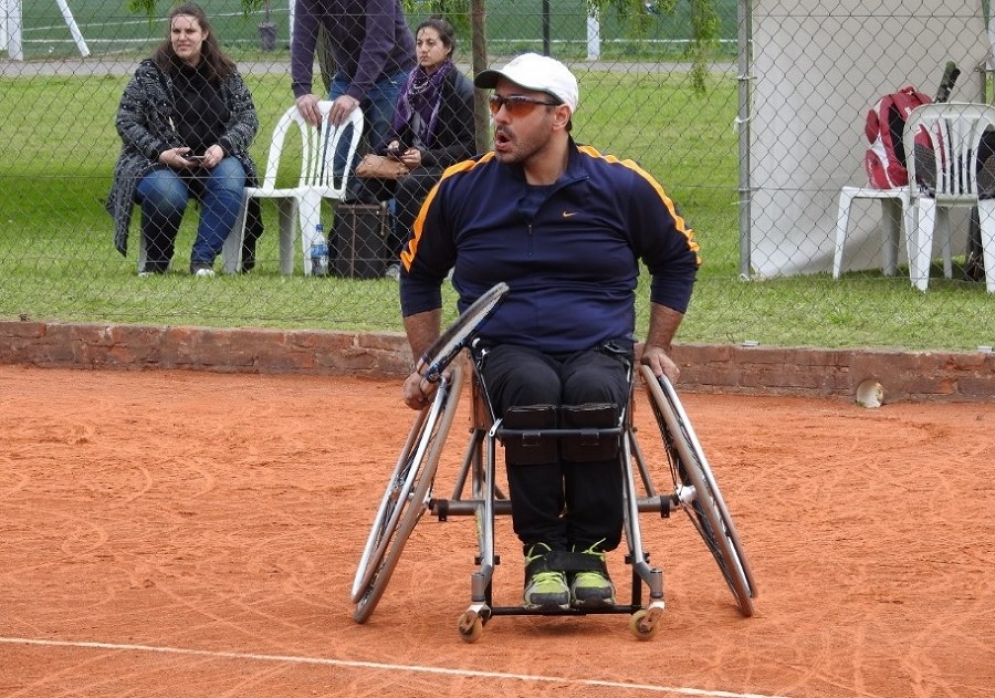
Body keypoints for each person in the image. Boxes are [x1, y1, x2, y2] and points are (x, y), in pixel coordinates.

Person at [397, 54, 701, 611]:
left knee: (591, 393)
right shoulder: (461, 188)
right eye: (496, 103)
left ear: (560, 116)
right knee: (533, 390)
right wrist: (428, 361)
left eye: (517, 105)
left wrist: (658, 346)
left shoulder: (621, 185)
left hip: (598, 346)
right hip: (505, 348)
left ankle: (589, 549)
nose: (499, 116)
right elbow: (418, 273)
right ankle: (541, 550)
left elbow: (678, 257)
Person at [106, 2, 263, 277]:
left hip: (216, 161)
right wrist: (159, 152)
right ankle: (157, 262)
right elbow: (126, 120)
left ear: (204, 34)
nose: (181, 37)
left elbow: (248, 118)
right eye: (176, 31)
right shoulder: (150, 73)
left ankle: (202, 261)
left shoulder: (226, 73)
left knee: (231, 179)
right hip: (157, 164)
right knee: (167, 193)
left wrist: (222, 147)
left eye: (189, 31)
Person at [353, 16, 476, 279]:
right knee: (368, 184)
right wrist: (394, 146)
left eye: (431, 43)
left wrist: (425, 157)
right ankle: (368, 259)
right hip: (411, 162)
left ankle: (404, 259)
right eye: (419, 43)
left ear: (447, 48)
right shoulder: (413, 84)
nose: (423, 49)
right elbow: (398, 134)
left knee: (409, 186)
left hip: (447, 166)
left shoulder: (461, 89)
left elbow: (469, 147)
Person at [291, 0, 416, 172]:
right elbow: (303, 33)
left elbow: (379, 39)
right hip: (347, 76)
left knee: (389, 161)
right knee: (333, 164)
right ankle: (350, 191)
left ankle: (384, 191)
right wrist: (302, 89)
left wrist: (355, 93)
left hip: (393, 73)